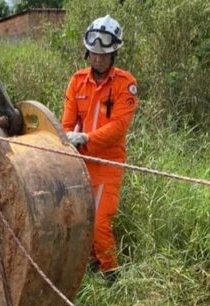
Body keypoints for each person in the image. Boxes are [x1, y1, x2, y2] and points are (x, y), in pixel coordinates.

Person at [62, 15, 138, 282]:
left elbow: (118, 126)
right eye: (94, 53)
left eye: (104, 54)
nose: (98, 59)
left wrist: (86, 139)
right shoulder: (77, 81)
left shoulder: (125, 84)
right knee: (80, 221)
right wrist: (70, 137)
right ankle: (93, 263)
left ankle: (111, 275)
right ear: (88, 51)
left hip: (108, 164)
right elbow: (67, 122)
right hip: (79, 163)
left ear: (114, 52)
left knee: (99, 224)